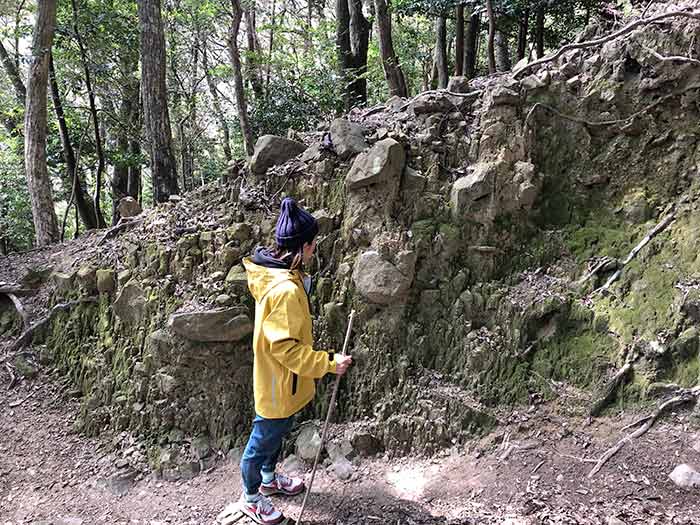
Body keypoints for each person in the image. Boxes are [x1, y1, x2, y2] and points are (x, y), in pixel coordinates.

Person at [239, 197, 353, 524]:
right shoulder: (285, 291)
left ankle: (269, 479)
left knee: (277, 433)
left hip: (285, 385)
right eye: (312, 244)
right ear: (301, 247)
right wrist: (329, 362)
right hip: (277, 386)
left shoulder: (286, 277)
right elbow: (287, 350)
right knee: (262, 440)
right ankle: (250, 497)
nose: (315, 249)